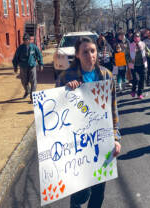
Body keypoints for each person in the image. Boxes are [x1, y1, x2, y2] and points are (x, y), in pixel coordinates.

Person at [56, 37, 121, 208]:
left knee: (99, 191)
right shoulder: (66, 77)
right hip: (78, 143)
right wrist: (66, 91)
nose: (90, 55)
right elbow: (56, 111)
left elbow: (112, 109)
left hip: (101, 139)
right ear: (77, 55)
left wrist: (115, 138)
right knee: (80, 191)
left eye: (92, 51)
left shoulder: (105, 75)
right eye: (85, 51)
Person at [12, 33, 43, 103]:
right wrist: (15, 66)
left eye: (27, 39)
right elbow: (15, 58)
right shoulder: (20, 48)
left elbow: (39, 55)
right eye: (24, 40)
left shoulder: (34, 47)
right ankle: (27, 90)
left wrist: (41, 64)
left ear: (29, 40)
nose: (25, 41)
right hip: (23, 67)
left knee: (33, 82)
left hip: (32, 66)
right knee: (24, 82)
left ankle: (33, 98)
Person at [128, 32, 149, 99]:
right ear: (133, 38)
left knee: (142, 80)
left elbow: (148, 51)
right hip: (134, 65)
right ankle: (133, 90)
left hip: (142, 64)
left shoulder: (143, 44)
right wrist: (130, 60)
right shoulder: (130, 45)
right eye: (135, 37)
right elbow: (126, 55)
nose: (136, 38)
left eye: (138, 36)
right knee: (136, 79)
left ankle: (139, 94)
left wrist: (148, 53)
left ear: (140, 37)